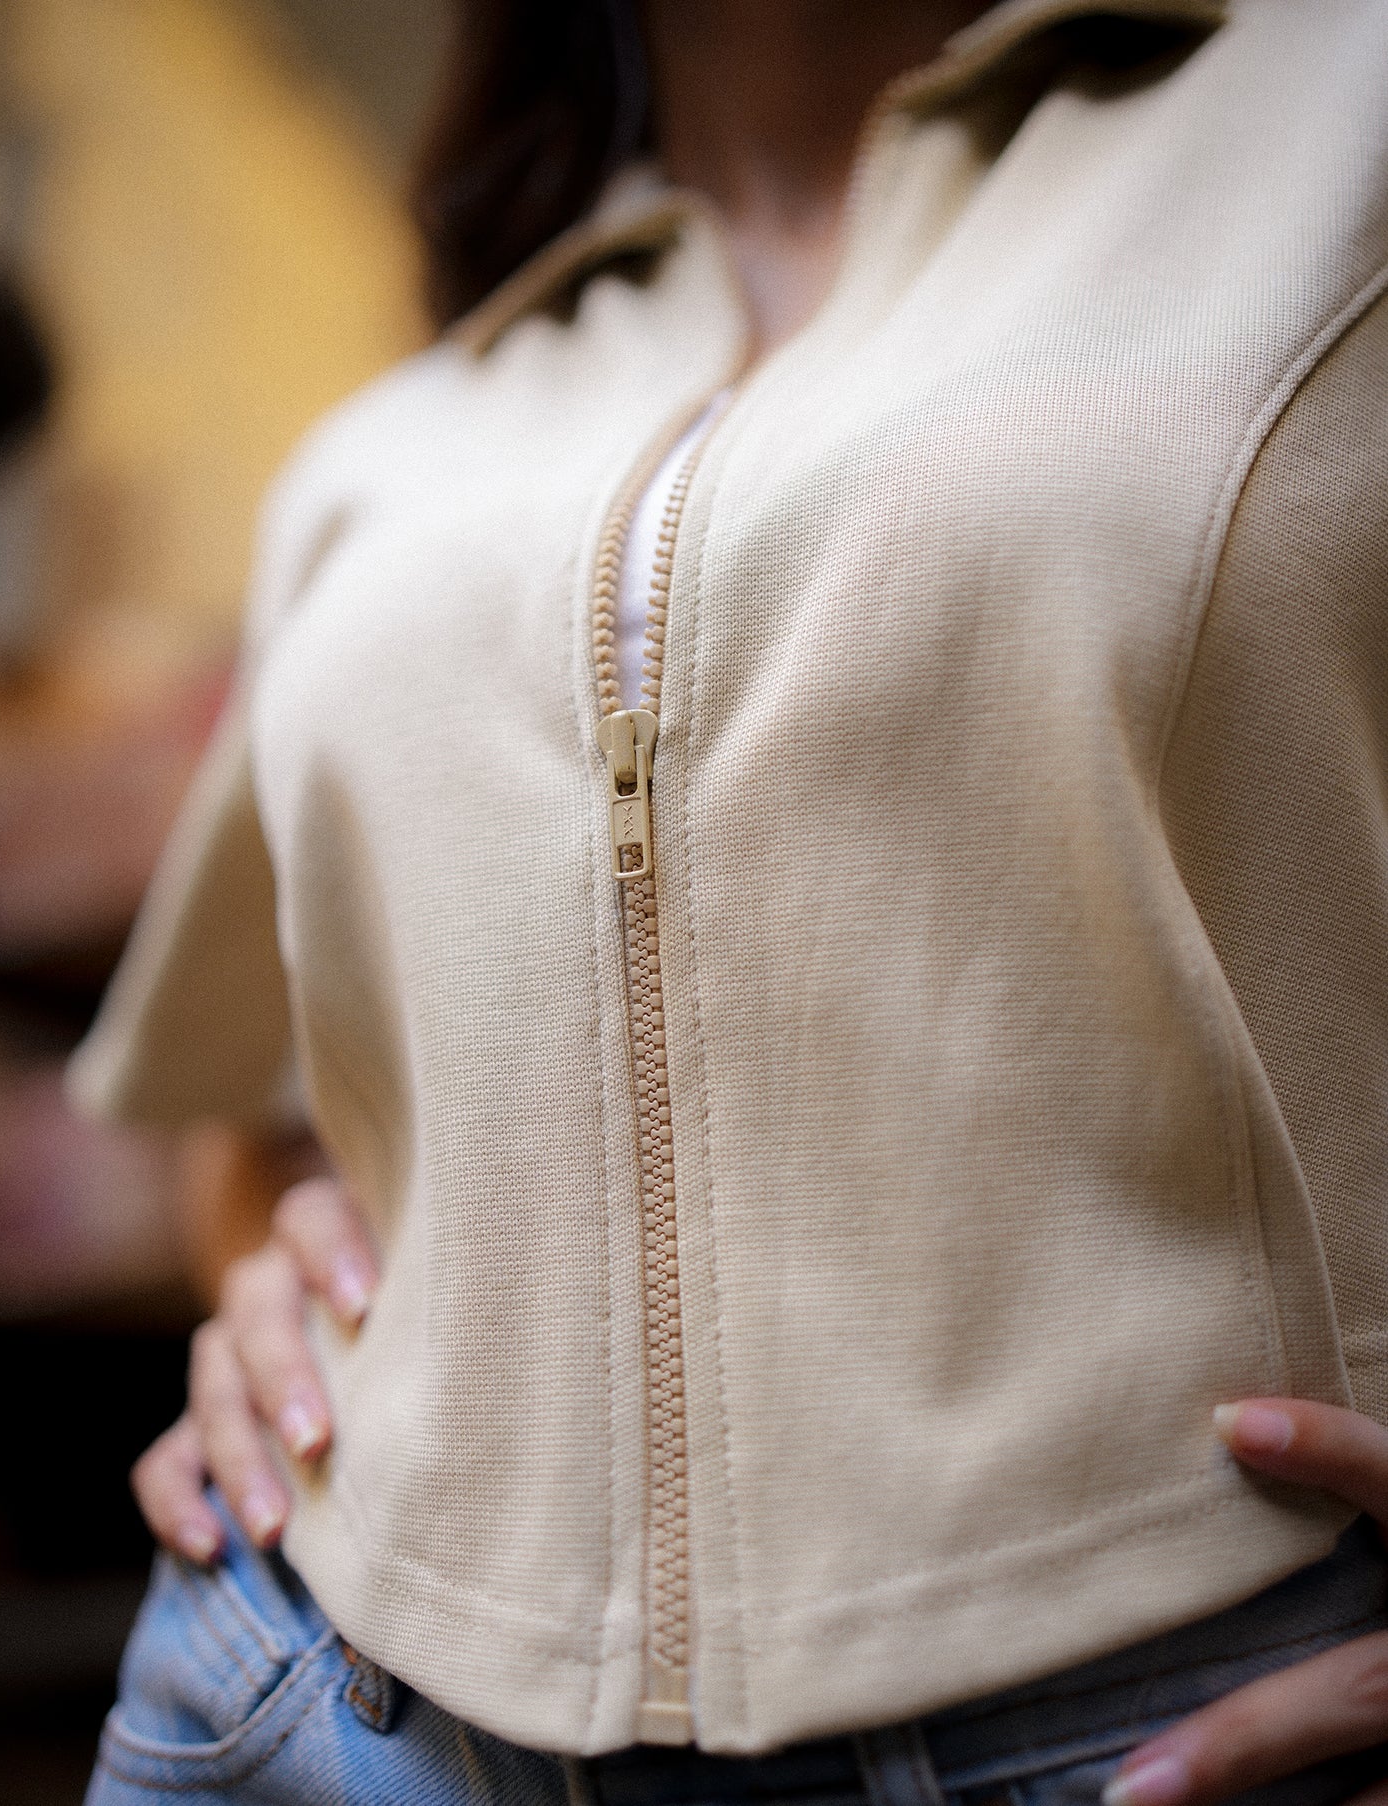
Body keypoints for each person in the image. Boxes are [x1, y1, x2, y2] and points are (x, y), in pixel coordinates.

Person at [72, 0, 1388, 1800]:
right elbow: (259, 1123)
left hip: (1150, 1719)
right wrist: (273, 1306)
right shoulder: (400, 431)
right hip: (310, 1704)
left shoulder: (1337, 117)